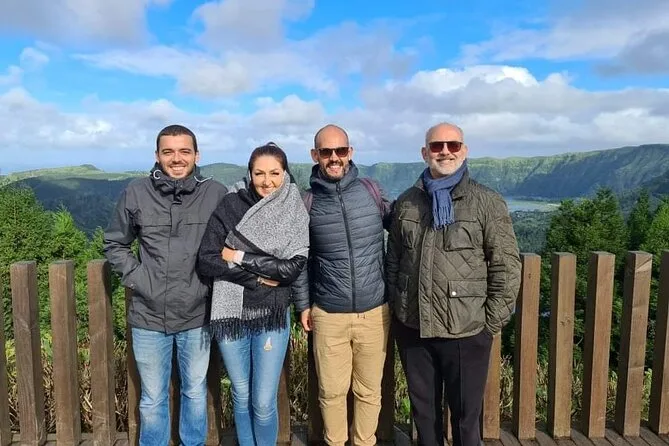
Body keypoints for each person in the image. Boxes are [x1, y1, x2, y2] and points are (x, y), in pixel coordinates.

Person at [385, 122, 521, 446]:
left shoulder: (486, 202)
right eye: (436, 146)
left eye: (453, 145)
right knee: (424, 417)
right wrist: (399, 306)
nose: (445, 151)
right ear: (425, 153)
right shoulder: (407, 203)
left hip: (467, 331)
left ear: (464, 150)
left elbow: (506, 266)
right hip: (414, 328)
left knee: (465, 419)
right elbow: (394, 260)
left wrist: (489, 325)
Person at [103, 124, 228, 446]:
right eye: (168, 151)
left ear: (197, 155)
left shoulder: (215, 193)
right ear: (157, 156)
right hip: (148, 314)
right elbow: (115, 243)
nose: (177, 158)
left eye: (184, 151)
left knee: (195, 392)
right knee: (152, 397)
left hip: (198, 313)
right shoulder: (136, 192)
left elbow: (235, 240)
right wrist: (139, 278)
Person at [197, 142, 309, 446]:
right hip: (231, 313)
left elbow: (291, 268)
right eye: (259, 173)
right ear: (249, 174)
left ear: (285, 174)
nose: (267, 181)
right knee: (241, 393)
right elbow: (207, 258)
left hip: (271, 314)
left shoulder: (293, 208)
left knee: (262, 400)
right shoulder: (231, 205)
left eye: (274, 173)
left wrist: (238, 256)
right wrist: (257, 278)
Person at [292, 124, 392, 446]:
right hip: (328, 314)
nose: (334, 157)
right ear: (315, 155)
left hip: (374, 311)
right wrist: (303, 304)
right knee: (331, 393)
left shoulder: (371, 191)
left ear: (350, 152)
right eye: (326, 151)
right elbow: (301, 259)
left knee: (369, 391)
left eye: (341, 150)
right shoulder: (307, 202)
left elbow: (406, 228)